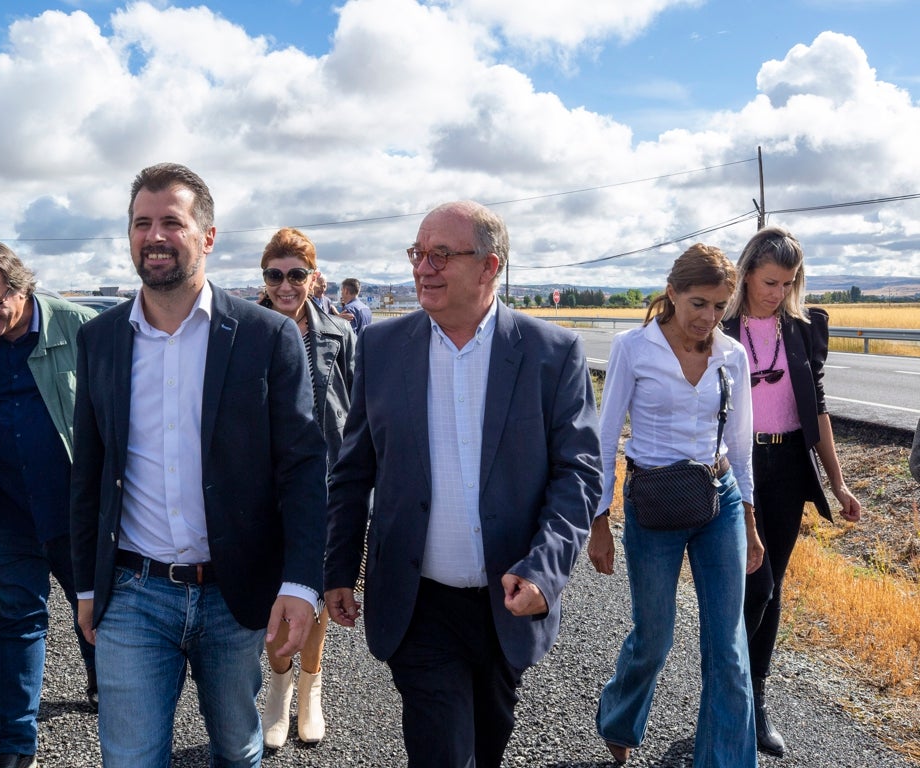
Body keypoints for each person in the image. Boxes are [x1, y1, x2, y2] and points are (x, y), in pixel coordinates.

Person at [324, 200, 601, 768]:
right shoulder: (380, 348)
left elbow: (579, 474)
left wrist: (545, 571)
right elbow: (355, 469)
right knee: (442, 751)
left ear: (489, 267)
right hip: (417, 598)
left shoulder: (551, 354)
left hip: (508, 598)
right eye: (418, 253)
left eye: (442, 255)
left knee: (487, 740)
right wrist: (338, 567)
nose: (423, 267)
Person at [69, 163, 328, 768]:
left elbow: (302, 469)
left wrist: (299, 582)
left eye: (171, 222)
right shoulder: (101, 339)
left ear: (207, 237)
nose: (154, 236)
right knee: (130, 759)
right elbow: (89, 470)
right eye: (141, 223)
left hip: (234, 593)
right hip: (132, 591)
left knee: (237, 751)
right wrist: (86, 583)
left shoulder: (266, 337)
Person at [587, 243, 765, 767]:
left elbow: (740, 441)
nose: (707, 318)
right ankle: (619, 717)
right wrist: (600, 521)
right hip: (653, 503)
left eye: (718, 307)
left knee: (729, 646)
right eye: (697, 304)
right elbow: (604, 437)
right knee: (655, 636)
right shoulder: (632, 348)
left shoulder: (733, 354)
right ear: (672, 293)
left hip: (719, 501)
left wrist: (750, 523)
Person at [0, 242, 98, 768]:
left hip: (78, 511)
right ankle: (15, 744)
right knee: (18, 620)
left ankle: (104, 686)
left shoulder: (81, 329)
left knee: (98, 611)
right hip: (6, 512)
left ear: (21, 287)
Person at [721, 226, 862, 756]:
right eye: (769, 281)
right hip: (732, 466)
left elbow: (817, 409)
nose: (777, 292)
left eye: (787, 283)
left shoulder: (803, 329)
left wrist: (838, 481)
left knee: (771, 586)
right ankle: (728, 689)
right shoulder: (722, 324)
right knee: (748, 587)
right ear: (747, 273)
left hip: (785, 468)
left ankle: (753, 699)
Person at [255, 227, 355, 747]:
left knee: (312, 590)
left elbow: (357, 413)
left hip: (325, 483)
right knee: (275, 589)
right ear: (264, 278)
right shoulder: (244, 331)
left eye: (296, 274)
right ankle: (276, 690)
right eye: (275, 274)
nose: (285, 284)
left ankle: (309, 691)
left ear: (313, 279)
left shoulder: (340, 333)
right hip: (262, 486)